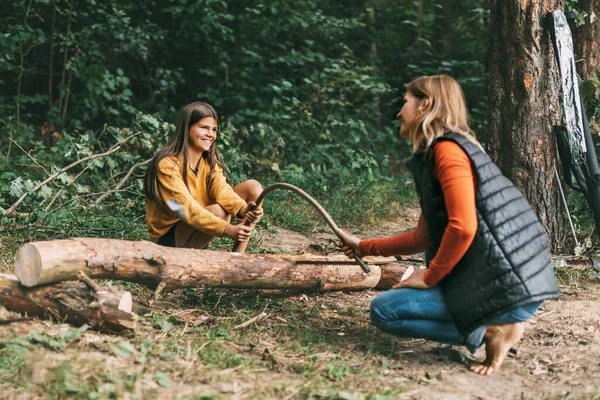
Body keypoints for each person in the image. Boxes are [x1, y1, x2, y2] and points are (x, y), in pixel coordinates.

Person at [339, 75, 559, 375]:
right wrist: (364, 247)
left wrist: (430, 276)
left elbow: (463, 227)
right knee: (387, 308)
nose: (399, 112)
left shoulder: (447, 151)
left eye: (405, 103)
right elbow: (423, 236)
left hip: (509, 289)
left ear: (425, 104)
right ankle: (490, 324)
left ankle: (491, 328)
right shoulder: (446, 151)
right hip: (516, 283)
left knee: (383, 311)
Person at [144, 101, 263, 252]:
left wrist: (244, 209)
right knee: (219, 212)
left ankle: (238, 258)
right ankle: (186, 262)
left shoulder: (209, 163)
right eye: (204, 127)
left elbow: (223, 192)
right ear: (187, 128)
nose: (211, 134)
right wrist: (227, 229)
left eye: (214, 129)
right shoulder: (167, 165)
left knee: (253, 187)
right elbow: (186, 209)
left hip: (199, 225)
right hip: (169, 239)